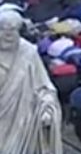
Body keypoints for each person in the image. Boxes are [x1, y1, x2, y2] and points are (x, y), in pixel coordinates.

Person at [0, 9, 62, 154]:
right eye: (3, 30)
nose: (7, 35)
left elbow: (43, 87)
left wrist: (46, 108)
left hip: (18, 120)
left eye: (12, 31)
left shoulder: (28, 53)